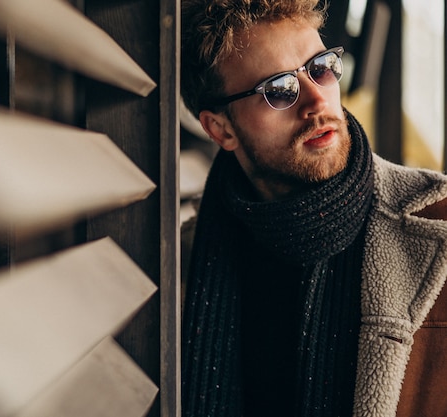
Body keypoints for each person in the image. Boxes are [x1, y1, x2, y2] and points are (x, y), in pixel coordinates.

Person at [180, 1, 447, 416]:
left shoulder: (438, 225)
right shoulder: (184, 266)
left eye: (320, 67)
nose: (318, 101)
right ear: (221, 129)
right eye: (279, 90)